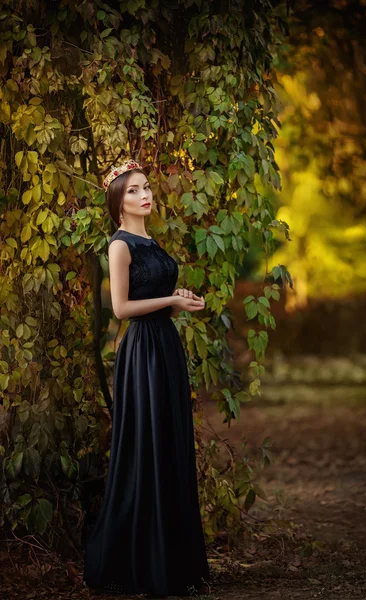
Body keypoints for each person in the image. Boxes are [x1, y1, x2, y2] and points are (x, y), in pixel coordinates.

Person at [83, 159, 211, 597]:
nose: (145, 194)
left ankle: (174, 560)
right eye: (135, 190)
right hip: (142, 351)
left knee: (170, 442)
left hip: (166, 347)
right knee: (148, 446)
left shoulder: (150, 240)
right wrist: (168, 299)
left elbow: (155, 298)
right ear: (120, 203)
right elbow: (120, 310)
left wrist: (179, 302)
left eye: (146, 187)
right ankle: (142, 560)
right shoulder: (120, 245)